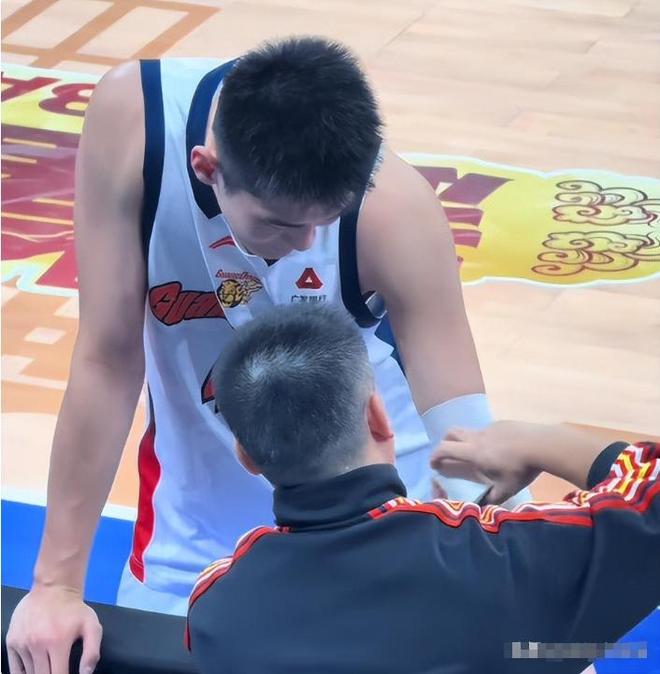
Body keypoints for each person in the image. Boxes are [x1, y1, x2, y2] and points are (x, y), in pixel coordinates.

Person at [7, 36, 530, 673]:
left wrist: (512, 602)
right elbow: (107, 359)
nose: (308, 242)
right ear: (206, 168)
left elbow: (465, 430)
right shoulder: (133, 121)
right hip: (196, 531)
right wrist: (56, 585)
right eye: (283, 224)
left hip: (378, 516)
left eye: (326, 220)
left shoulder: (395, 208)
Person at [186, 303, 660, 674]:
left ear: (246, 456)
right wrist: (543, 442)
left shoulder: (217, 610)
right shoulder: (503, 563)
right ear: (378, 416)